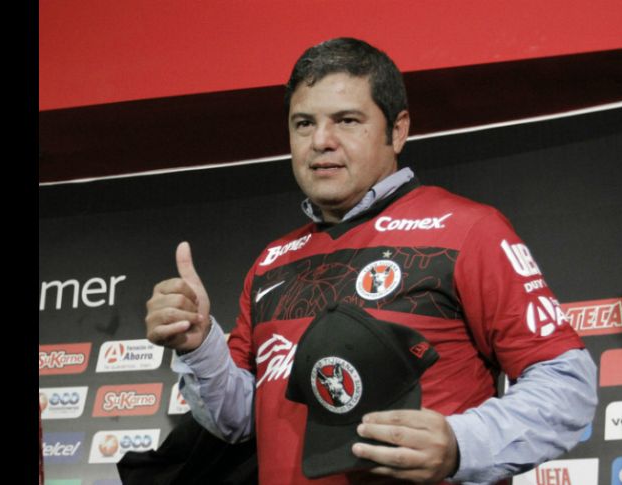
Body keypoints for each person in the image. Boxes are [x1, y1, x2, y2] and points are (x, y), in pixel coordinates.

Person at [145, 37, 597, 485]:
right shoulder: (270, 262)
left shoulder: (469, 231)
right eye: (304, 124)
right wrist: (199, 346)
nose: (321, 141)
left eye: (346, 121)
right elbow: (239, 421)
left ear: (397, 130)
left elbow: (567, 386)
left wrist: (461, 445)